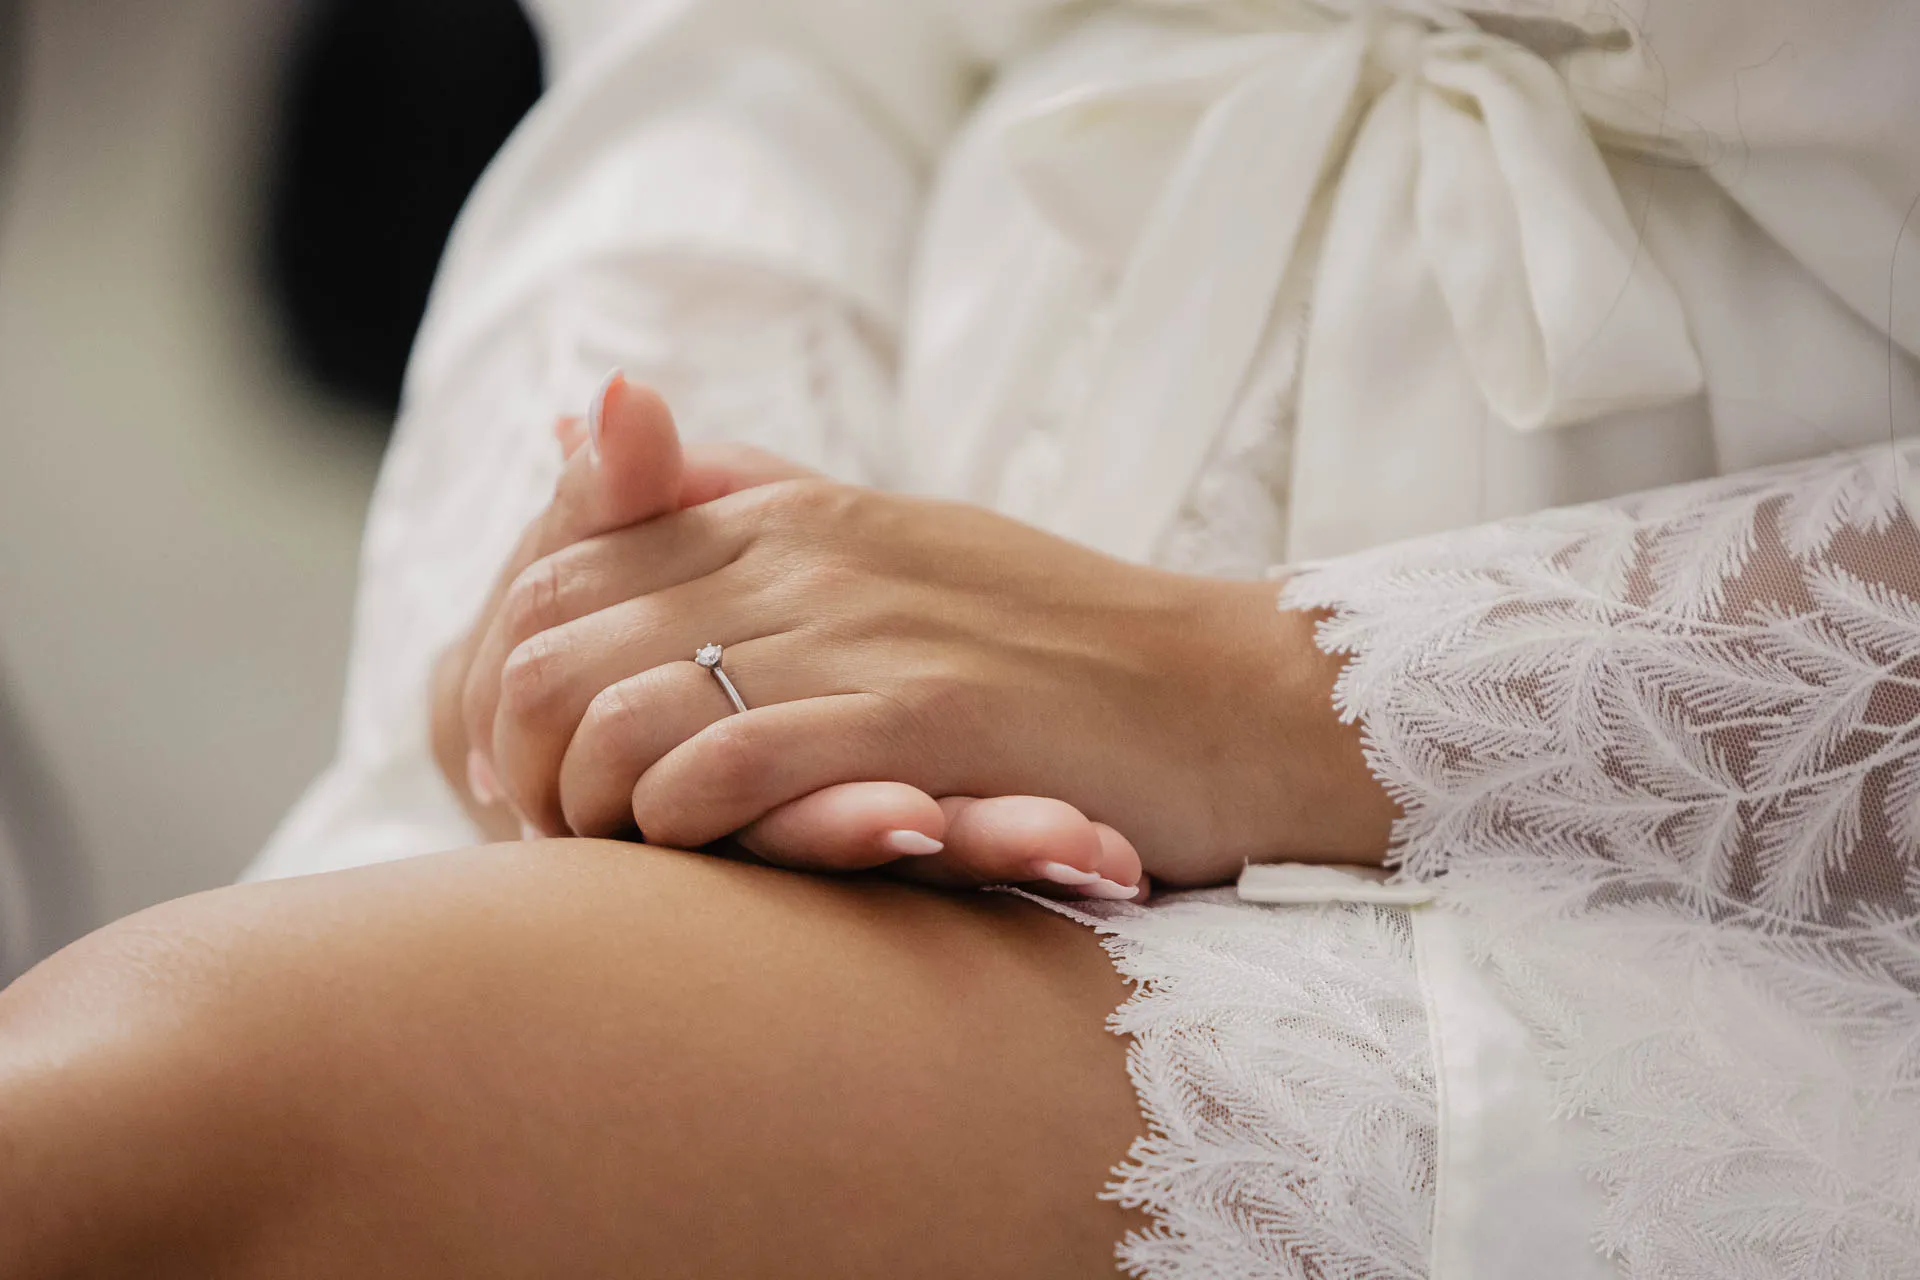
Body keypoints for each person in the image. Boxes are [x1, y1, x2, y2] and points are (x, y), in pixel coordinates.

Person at [4, 1, 1918, 1275]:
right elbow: (738, 63)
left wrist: (1249, 693)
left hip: (1738, 884)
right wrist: (672, 588)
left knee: (163, 1130)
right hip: (927, 509)